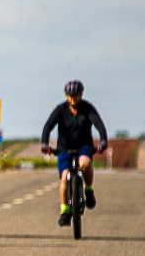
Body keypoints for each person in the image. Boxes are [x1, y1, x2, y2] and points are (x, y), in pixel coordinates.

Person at [40, 80, 108, 226]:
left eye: (76, 95)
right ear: (66, 96)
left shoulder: (88, 109)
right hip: (64, 148)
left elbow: (99, 124)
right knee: (65, 176)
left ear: (81, 95)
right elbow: (48, 126)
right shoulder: (60, 109)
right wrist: (44, 143)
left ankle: (89, 190)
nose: (73, 98)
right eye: (70, 96)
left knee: (85, 163)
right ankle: (64, 211)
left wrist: (103, 141)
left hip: (84, 147)